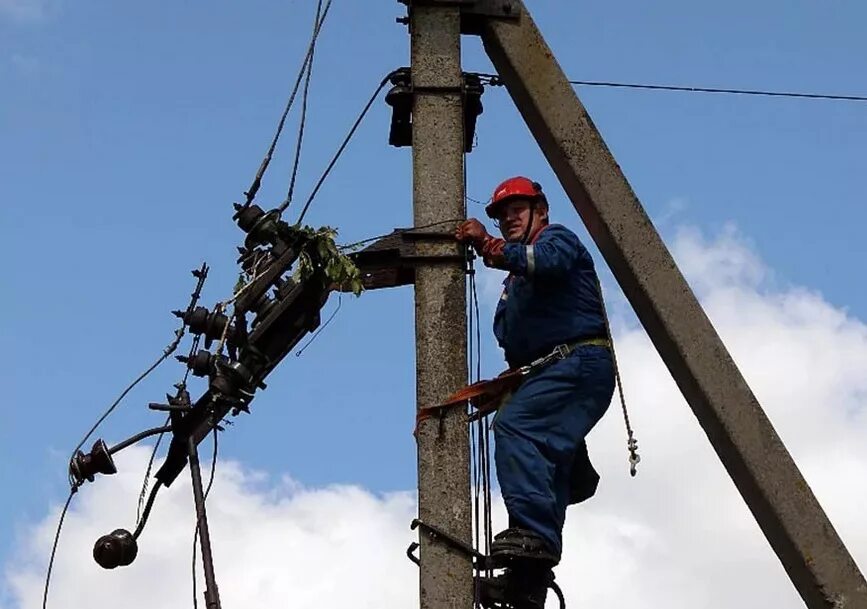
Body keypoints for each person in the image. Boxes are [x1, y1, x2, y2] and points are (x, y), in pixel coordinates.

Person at [455, 176, 615, 605]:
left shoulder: (556, 241)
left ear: (540, 210)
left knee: (516, 428)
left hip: (578, 363)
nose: (508, 218)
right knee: (548, 462)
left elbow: (543, 262)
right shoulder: (516, 284)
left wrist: (486, 244)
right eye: (502, 214)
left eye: (517, 209)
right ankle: (528, 582)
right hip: (551, 371)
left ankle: (535, 537)